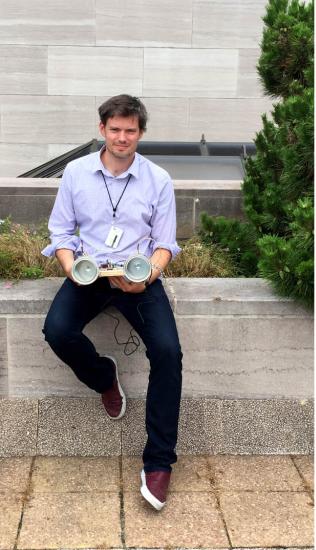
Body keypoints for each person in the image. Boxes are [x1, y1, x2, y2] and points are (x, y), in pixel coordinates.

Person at [41, 94, 182, 511]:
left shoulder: (158, 179)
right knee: (57, 331)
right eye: (115, 129)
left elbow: (165, 244)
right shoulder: (76, 172)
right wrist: (69, 266)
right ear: (102, 129)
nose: (122, 137)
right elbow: (61, 232)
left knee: (169, 353)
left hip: (138, 278)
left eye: (131, 130)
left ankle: (158, 463)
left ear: (140, 133)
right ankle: (104, 377)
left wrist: (148, 276)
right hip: (89, 275)